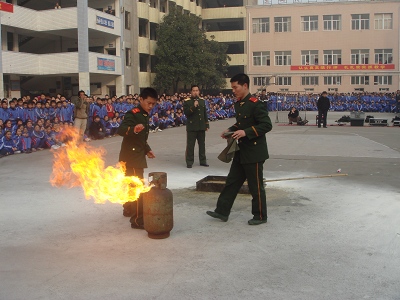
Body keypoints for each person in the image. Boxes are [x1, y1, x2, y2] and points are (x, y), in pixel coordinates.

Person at [206, 73, 273, 225]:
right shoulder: (240, 104)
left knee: (255, 187)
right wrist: (230, 129)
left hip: (254, 152)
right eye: (232, 88)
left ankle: (260, 216)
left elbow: (266, 125)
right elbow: (241, 123)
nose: (233, 91)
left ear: (245, 86)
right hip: (241, 151)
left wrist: (246, 133)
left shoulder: (256, 103)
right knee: (232, 182)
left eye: (235, 87)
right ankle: (222, 211)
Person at [118, 87, 157, 229]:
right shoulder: (133, 113)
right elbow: (121, 130)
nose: (151, 106)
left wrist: (147, 150)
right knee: (138, 187)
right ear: (141, 99)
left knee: (131, 185)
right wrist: (133, 129)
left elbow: (141, 138)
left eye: (153, 104)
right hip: (132, 157)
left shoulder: (144, 115)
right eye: (149, 103)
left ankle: (128, 209)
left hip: (135, 154)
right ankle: (137, 220)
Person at [183, 85, 209, 168]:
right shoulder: (187, 101)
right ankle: (189, 162)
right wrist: (194, 106)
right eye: (193, 90)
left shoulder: (202, 101)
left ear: (199, 91)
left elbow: (204, 113)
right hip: (192, 127)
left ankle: (203, 160)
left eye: (197, 90)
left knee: (202, 144)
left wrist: (206, 124)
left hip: (201, 126)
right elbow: (187, 113)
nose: (195, 92)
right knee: (190, 145)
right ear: (191, 92)